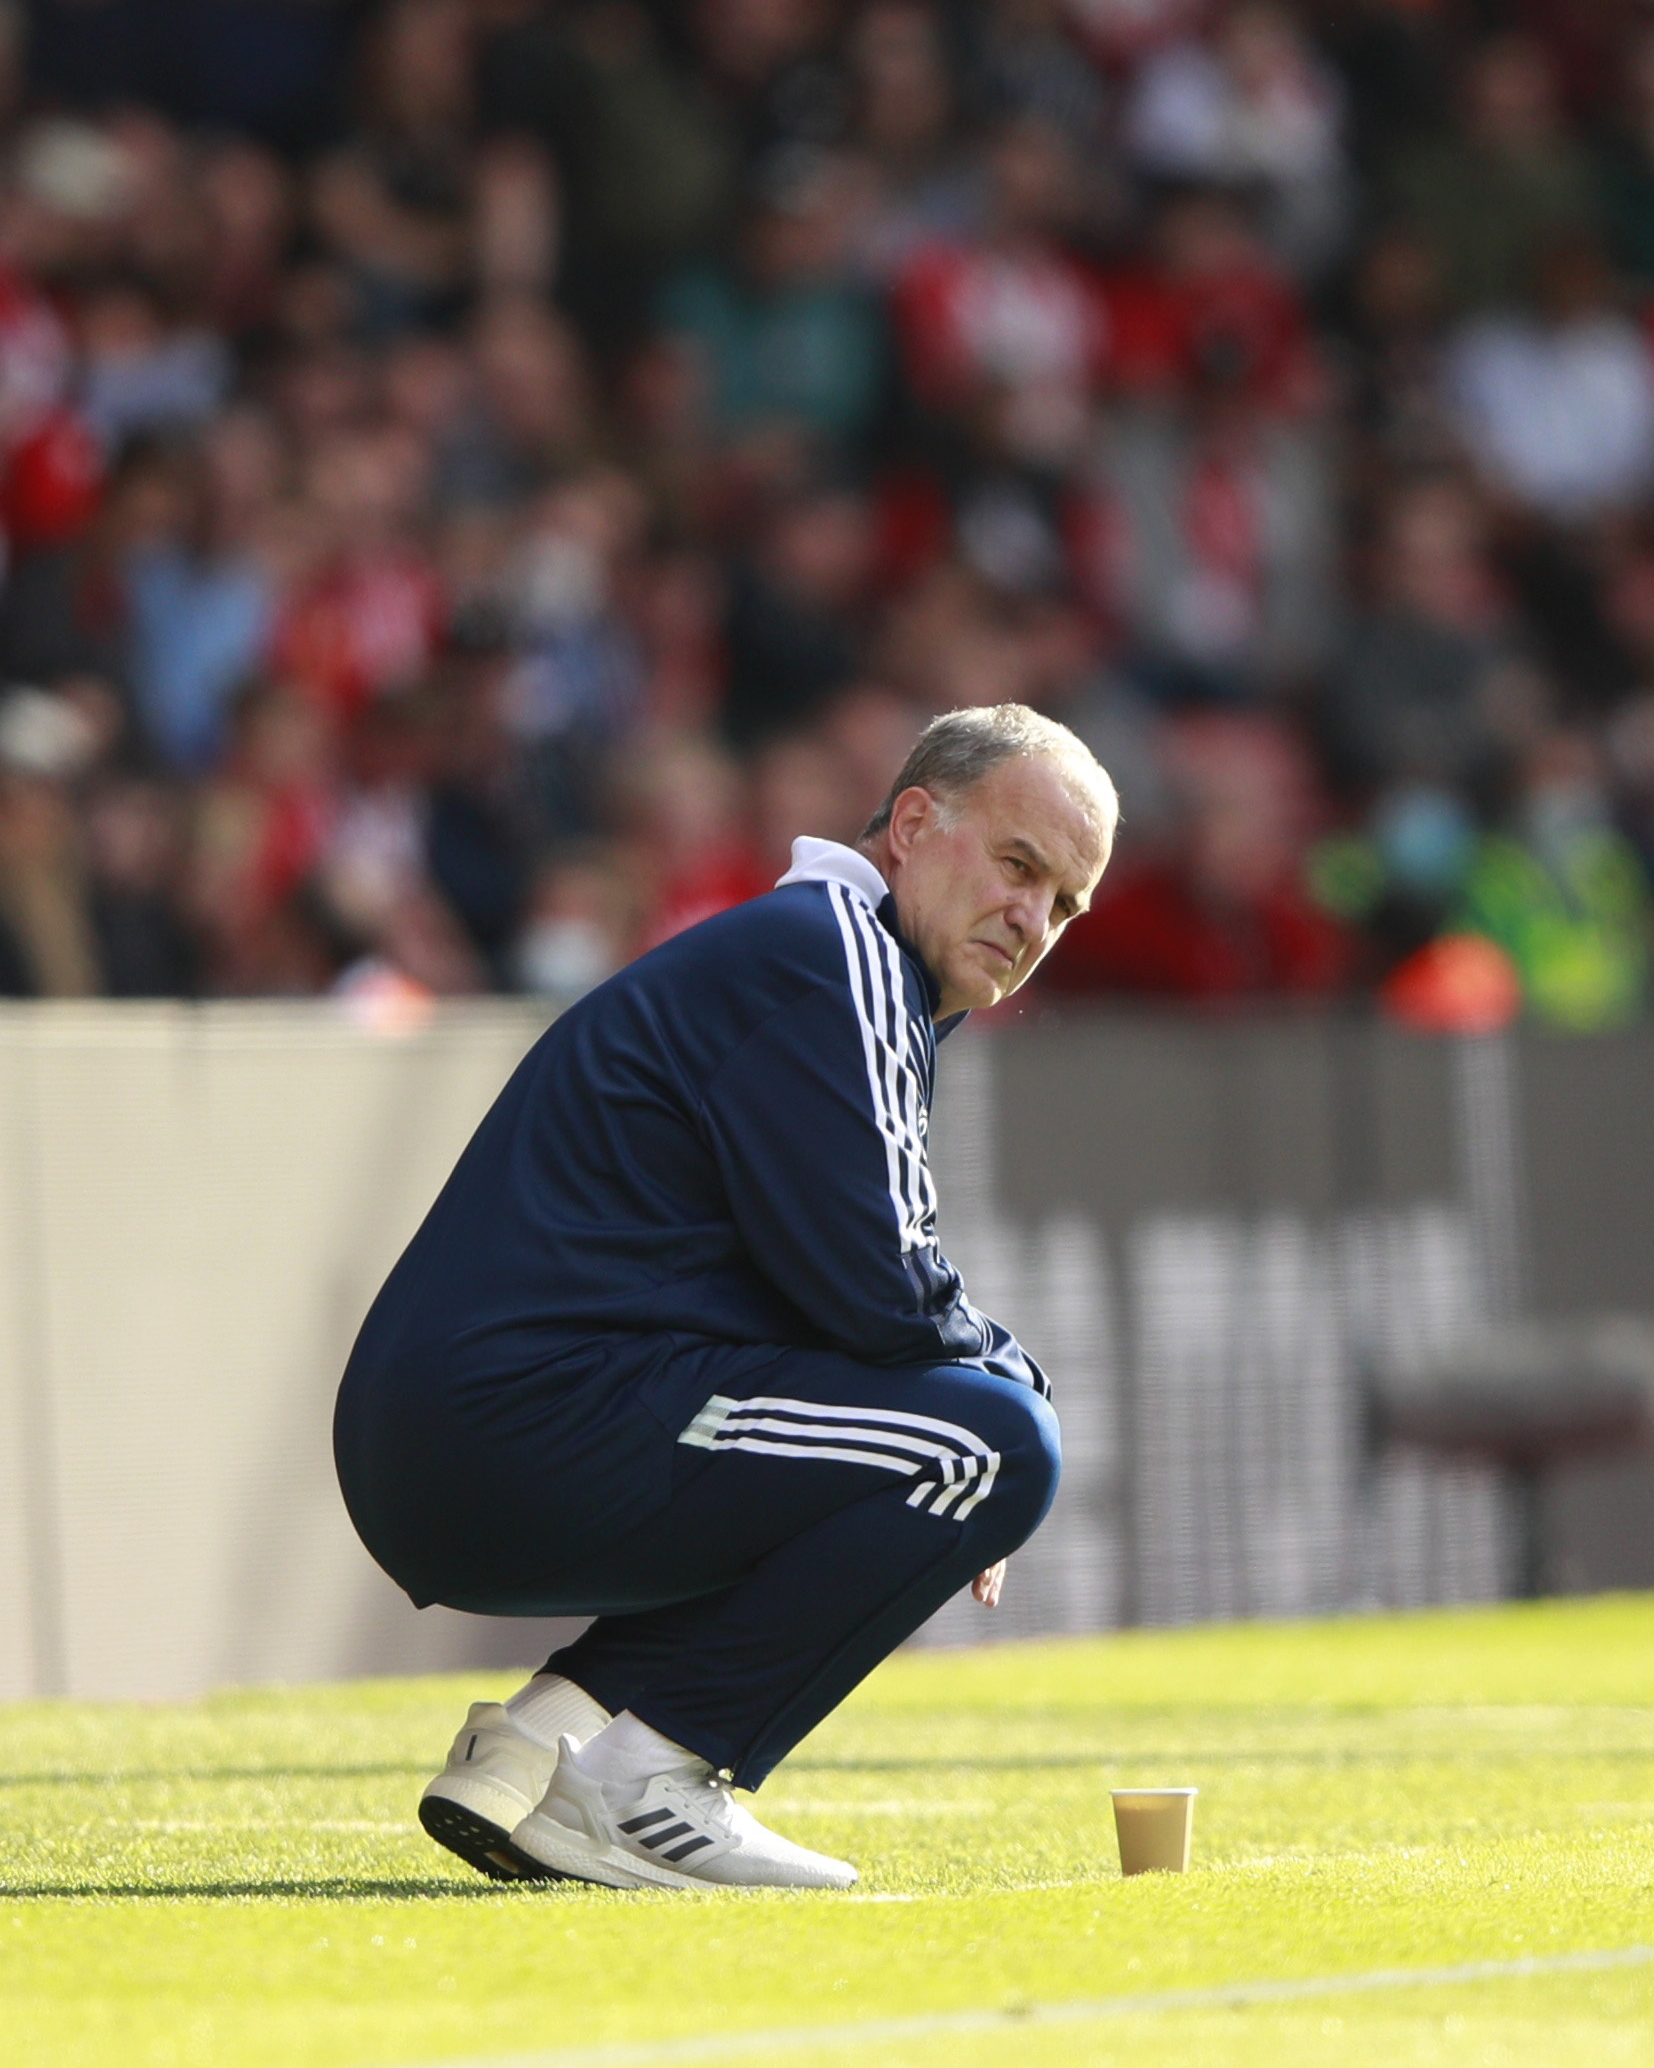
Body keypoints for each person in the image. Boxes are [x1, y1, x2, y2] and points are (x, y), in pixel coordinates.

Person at [334, 704, 1117, 1886]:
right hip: (508, 1417)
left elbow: (824, 1294)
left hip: (461, 1430)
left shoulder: (820, 957)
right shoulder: (838, 952)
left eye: (1064, 902)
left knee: (935, 1437)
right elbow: (886, 1283)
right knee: (998, 1443)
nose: (1033, 918)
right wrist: (1002, 1389)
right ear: (913, 823)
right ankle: (644, 1782)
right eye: (1019, 864)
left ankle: (551, 1734)